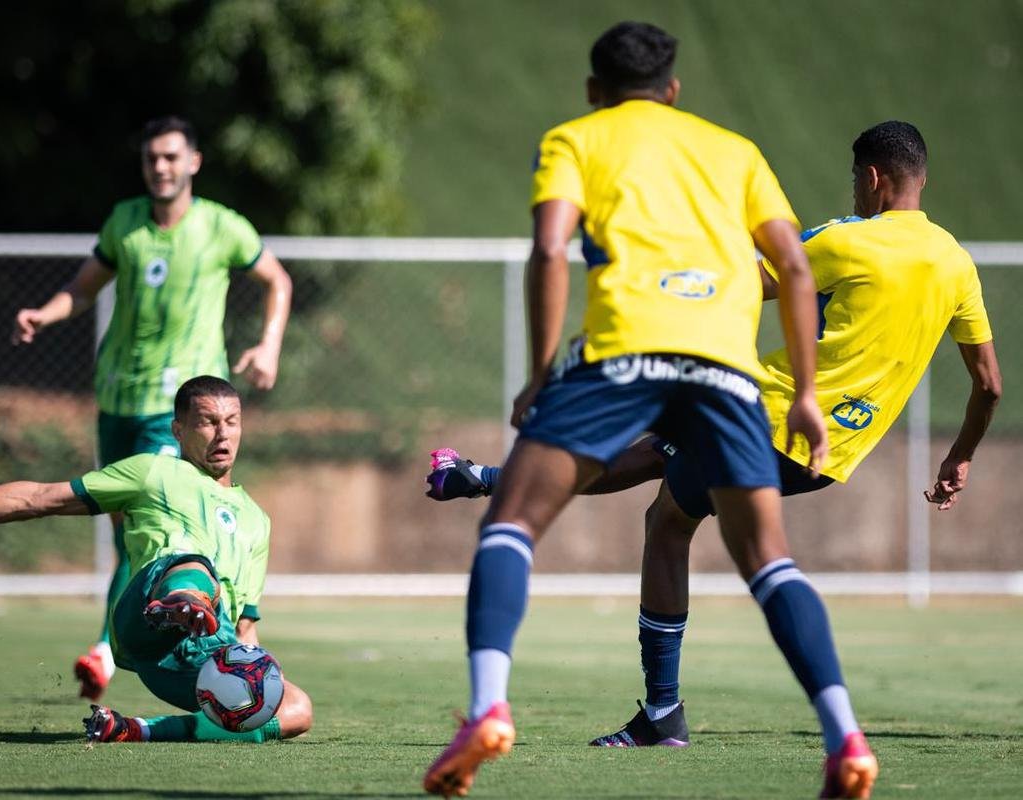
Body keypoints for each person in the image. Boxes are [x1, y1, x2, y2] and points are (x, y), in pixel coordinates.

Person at [426, 120, 1001, 765]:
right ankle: (490, 483)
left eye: (855, 181)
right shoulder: (956, 263)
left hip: (767, 413)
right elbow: (989, 384)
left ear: (871, 178)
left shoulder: (849, 241)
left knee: (657, 492)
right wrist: (960, 457)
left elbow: (746, 282)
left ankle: (662, 707)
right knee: (668, 499)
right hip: (828, 455)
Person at [421, 22, 878, 799]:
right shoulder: (734, 151)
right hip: (728, 373)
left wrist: (538, 374)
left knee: (510, 522)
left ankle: (486, 707)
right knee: (768, 559)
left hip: (624, 355)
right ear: (672, 88)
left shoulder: (575, 138)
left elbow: (547, 249)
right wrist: (802, 392)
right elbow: (794, 264)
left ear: (594, 91)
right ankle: (843, 737)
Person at [11, 116, 293, 702]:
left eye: (170, 157)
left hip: (179, 410)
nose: (160, 168)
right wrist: (47, 312)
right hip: (118, 398)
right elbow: (84, 286)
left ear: (193, 161)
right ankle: (149, 638)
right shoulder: (125, 222)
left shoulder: (222, 226)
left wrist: (269, 344)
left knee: (168, 532)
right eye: (151, 159)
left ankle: (109, 650)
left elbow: (277, 280)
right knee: (130, 539)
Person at [0, 375, 312, 744]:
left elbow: (246, 626)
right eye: (208, 423)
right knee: (193, 563)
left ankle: (137, 730)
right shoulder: (152, 473)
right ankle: (180, 604)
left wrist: (253, 680)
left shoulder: (257, 519)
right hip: (145, 621)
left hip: (195, 660)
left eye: (232, 423)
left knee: (294, 710)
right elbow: (37, 498)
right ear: (178, 431)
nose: (222, 435)